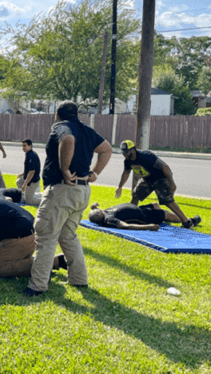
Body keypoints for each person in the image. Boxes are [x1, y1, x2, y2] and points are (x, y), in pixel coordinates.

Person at [24, 101, 112, 296]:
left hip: (63, 191)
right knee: (68, 236)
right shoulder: (86, 129)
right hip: (82, 191)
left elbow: (68, 140)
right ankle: (79, 280)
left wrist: (64, 169)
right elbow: (106, 149)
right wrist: (95, 172)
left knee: (46, 237)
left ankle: (37, 285)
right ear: (77, 114)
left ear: (57, 114)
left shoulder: (61, 127)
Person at [115, 140, 199, 229]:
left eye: (126, 152)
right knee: (136, 194)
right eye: (123, 153)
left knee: (166, 199)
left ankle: (186, 222)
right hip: (147, 180)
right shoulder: (127, 161)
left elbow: (165, 167)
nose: (125, 155)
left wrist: (172, 183)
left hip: (160, 178)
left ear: (133, 150)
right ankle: (131, 216)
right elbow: (126, 173)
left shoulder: (146, 156)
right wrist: (120, 186)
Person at [87, 201, 198, 230]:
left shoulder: (103, 213)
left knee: (155, 205)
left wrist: (93, 206)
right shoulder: (108, 219)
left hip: (140, 210)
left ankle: (161, 219)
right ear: (99, 217)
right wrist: (148, 226)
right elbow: (126, 226)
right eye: (97, 212)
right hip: (143, 218)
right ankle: (188, 221)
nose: (98, 210)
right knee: (165, 214)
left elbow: (94, 211)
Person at [16, 139, 41, 206]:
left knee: (29, 202)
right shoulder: (28, 154)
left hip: (32, 181)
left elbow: (32, 172)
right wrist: (22, 174)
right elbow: (28, 168)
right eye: (22, 146)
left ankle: (47, 201)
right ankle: (26, 193)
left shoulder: (32, 156)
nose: (23, 148)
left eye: (25, 146)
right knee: (18, 181)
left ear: (30, 146)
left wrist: (25, 183)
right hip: (27, 178)